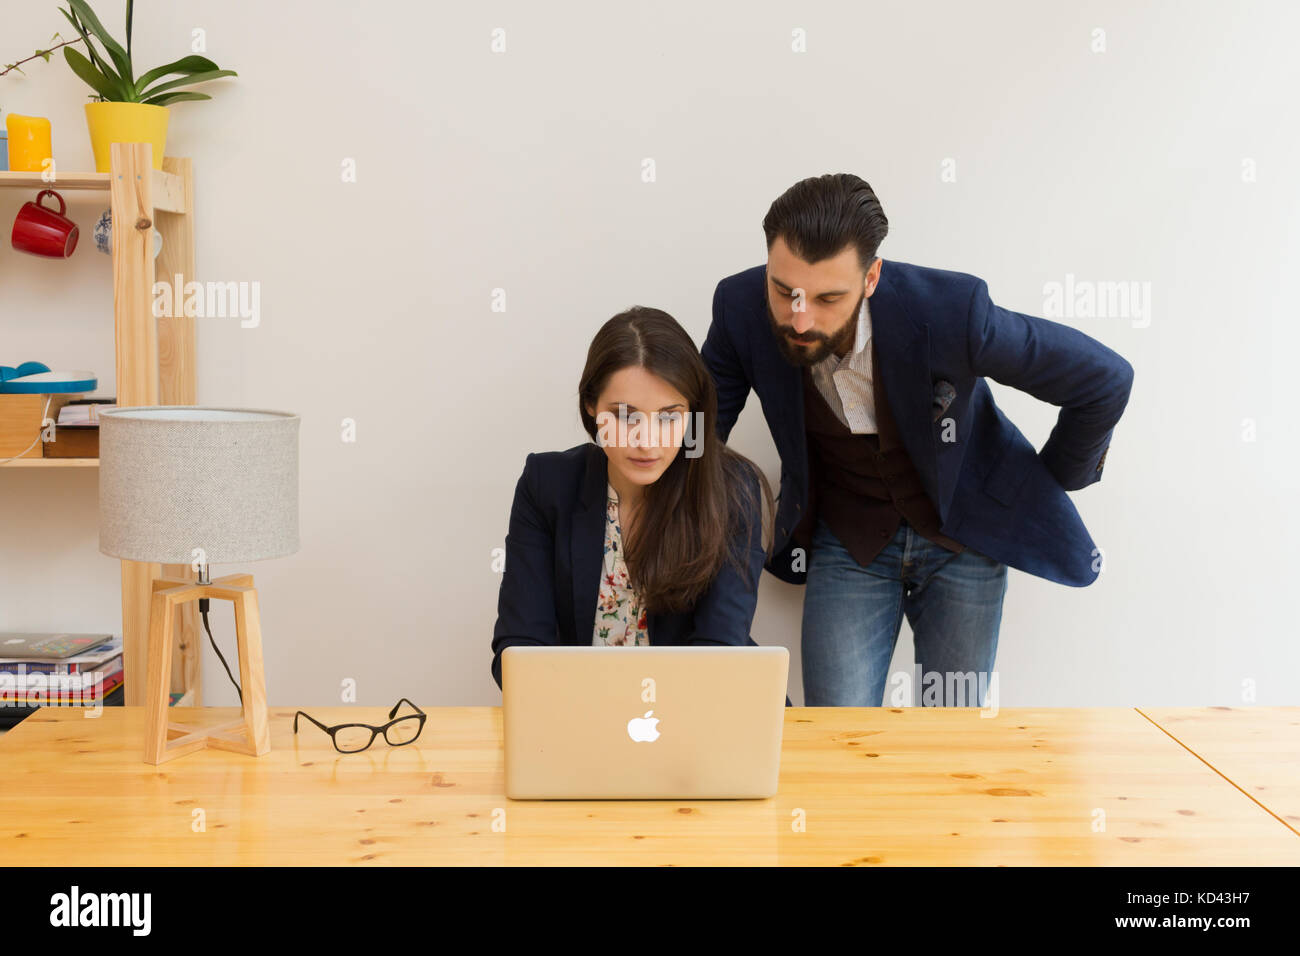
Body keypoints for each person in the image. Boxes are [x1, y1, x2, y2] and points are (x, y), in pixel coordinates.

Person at [702, 173, 1134, 707]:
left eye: (827, 297)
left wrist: (1057, 479)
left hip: (964, 540)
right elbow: (700, 434)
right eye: (783, 289)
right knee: (836, 736)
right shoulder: (739, 307)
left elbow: (1104, 378)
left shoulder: (954, 311)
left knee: (951, 738)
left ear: (872, 277)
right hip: (850, 540)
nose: (800, 317)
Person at [491, 306, 775, 691]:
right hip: (578, 718)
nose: (647, 441)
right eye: (625, 415)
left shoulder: (733, 490)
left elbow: (718, 652)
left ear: (692, 413)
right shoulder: (547, 485)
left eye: (669, 416)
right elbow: (519, 650)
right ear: (591, 407)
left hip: (697, 717)